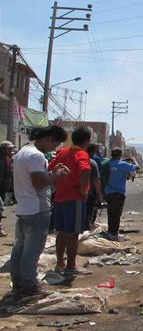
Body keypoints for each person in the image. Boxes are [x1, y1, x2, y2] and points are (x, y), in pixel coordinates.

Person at [10, 126, 69, 300]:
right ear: (48, 138)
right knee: (32, 249)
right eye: (55, 143)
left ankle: (19, 282)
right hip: (36, 208)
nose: (54, 148)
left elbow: (34, 179)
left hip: (24, 207)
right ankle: (29, 286)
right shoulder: (36, 155)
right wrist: (56, 176)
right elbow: (38, 183)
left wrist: (49, 173)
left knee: (20, 247)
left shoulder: (23, 152)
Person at [50, 127, 92, 275]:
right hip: (74, 198)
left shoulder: (62, 152)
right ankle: (71, 266)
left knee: (61, 232)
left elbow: (51, 169)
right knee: (73, 234)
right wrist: (82, 189)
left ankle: (60, 263)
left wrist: (57, 185)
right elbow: (85, 170)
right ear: (87, 141)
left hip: (59, 198)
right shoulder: (81, 154)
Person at [103, 148, 138, 240]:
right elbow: (136, 168)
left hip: (108, 193)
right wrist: (134, 160)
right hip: (118, 193)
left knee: (110, 213)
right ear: (120, 155)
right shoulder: (123, 165)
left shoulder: (106, 163)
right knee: (116, 214)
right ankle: (114, 233)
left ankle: (111, 232)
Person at [85, 144, 103, 231]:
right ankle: (88, 227)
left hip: (76, 192)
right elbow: (96, 178)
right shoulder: (94, 161)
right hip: (90, 191)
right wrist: (99, 193)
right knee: (90, 210)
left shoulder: (75, 158)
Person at [0, 141, 15, 237]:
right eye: (10, 149)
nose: (12, 150)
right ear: (3, 149)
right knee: (0, 207)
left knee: (1, 210)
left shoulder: (8, 159)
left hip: (3, 188)